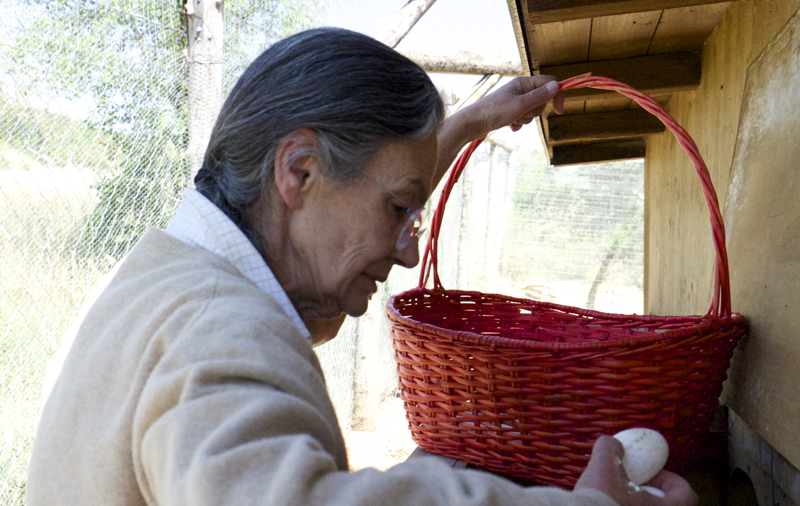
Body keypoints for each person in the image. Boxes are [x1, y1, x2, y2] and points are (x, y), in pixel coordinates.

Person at [26, 27, 698, 506]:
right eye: (400, 209)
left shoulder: (163, 280)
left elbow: (372, 175)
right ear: (301, 171)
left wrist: (465, 125)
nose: (408, 250)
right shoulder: (218, 328)